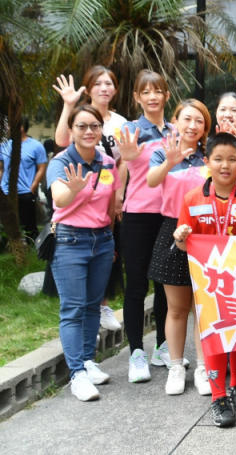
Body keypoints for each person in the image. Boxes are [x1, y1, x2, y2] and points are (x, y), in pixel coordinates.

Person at [173, 132, 236, 427]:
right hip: (208, 283)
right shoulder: (193, 198)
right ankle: (218, 396)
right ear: (207, 162)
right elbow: (182, 241)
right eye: (218, 159)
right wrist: (179, 238)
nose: (225, 165)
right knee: (215, 336)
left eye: (232, 159)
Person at [47, 105, 118, 401]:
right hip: (70, 241)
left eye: (94, 126)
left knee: (92, 306)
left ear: (101, 129)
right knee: (73, 308)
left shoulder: (108, 162)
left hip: (102, 241)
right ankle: (76, 373)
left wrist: (110, 239)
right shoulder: (61, 161)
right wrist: (74, 189)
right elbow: (58, 199)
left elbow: (111, 203)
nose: (89, 132)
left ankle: (88, 361)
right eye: (82, 126)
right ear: (72, 130)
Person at [145, 100, 212, 396]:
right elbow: (150, 181)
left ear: (205, 128)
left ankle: (202, 368)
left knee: (202, 308)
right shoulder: (162, 151)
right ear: (176, 121)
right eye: (187, 119)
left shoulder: (209, 155)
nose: (193, 125)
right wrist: (169, 162)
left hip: (205, 232)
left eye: (199, 121)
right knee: (176, 308)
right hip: (172, 228)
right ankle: (175, 366)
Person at [52, 66, 127, 333]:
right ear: (89, 87)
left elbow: (123, 161)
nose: (104, 88)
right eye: (98, 83)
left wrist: (118, 196)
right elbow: (61, 141)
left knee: (108, 250)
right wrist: (68, 104)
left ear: (115, 89)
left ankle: (102, 305)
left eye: (109, 83)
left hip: (107, 192)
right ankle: (84, 317)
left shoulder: (120, 123)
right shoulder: (79, 115)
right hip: (76, 195)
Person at [114, 70, 173, 383]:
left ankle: (162, 345)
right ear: (137, 97)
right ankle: (136, 351)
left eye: (158, 91)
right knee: (136, 285)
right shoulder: (130, 130)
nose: (152, 96)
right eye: (145, 92)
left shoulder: (175, 131)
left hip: (168, 215)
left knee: (164, 284)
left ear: (166, 95)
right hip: (137, 214)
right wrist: (128, 156)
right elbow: (127, 164)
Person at [0, 118, 47, 241]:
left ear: (22, 127)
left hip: (26, 192)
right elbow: (0, 168)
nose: (8, 128)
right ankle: (10, 247)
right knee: (7, 223)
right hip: (6, 191)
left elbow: (41, 168)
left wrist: (33, 186)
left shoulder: (36, 146)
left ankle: (32, 247)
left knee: (29, 224)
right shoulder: (4, 146)